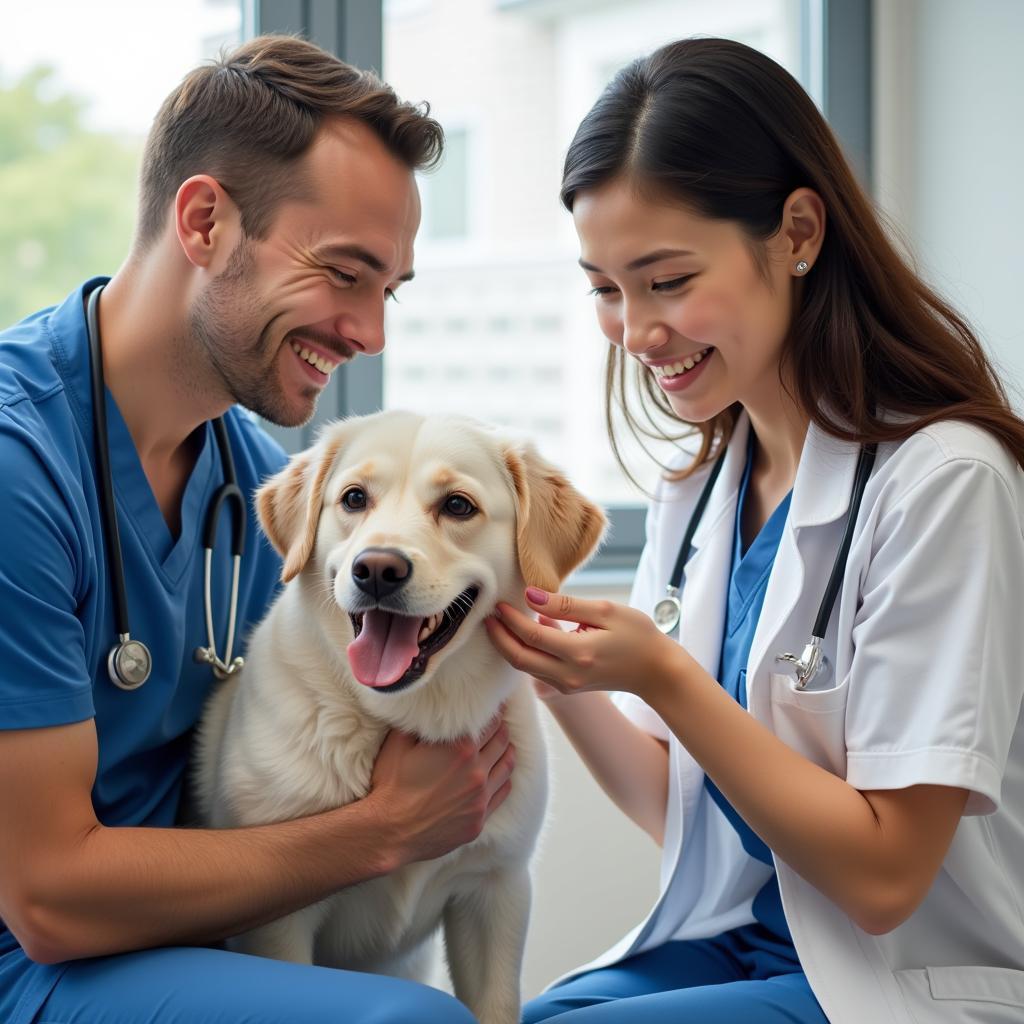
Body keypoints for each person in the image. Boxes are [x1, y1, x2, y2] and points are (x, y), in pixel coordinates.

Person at [485, 37, 1024, 1024]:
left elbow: (884, 878)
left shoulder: (944, 482)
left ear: (799, 233)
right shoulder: (699, 489)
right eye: (606, 288)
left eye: (667, 279)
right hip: (744, 945)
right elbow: (685, 819)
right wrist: (547, 664)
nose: (637, 332)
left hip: (905, 976)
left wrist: (665, 676)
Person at [0, 35, 514, 1024]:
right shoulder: (21, 467)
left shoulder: (268, 484)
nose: (370, 332)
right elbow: (47, 898)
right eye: (345, 273)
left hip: (189, 934)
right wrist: (378, 832)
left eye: (389, 290)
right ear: (204, 221)